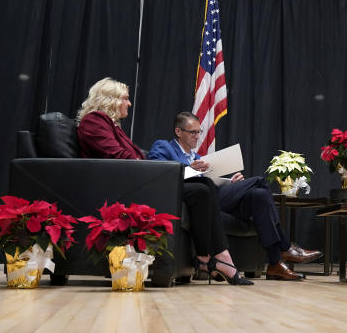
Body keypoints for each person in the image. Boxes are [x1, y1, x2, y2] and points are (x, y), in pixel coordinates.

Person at [76, 77, 253, 285]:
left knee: (204, 186)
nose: (129, 104)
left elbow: (129, 157)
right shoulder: (94, 121)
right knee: (201, 191)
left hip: (139, 179)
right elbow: (119, 157)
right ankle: (212, 258)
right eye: (125, 98)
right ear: (110, 100)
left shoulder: (111, 125)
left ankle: (211, 257)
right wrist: (157, 168)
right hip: (126, 186)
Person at [148, 111, 322, 282]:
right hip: (199, 202)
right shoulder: (164, 147)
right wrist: (190, 169)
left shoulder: (199, 157)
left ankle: (275, 263)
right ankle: (284, 247)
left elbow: (211, 183)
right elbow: (161, 173)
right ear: (178, 132)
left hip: (215, 197)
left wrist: (230, 183)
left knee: (259, 195)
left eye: (199, 132)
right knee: (260, 181)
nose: (197, 136)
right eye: (192, 132)